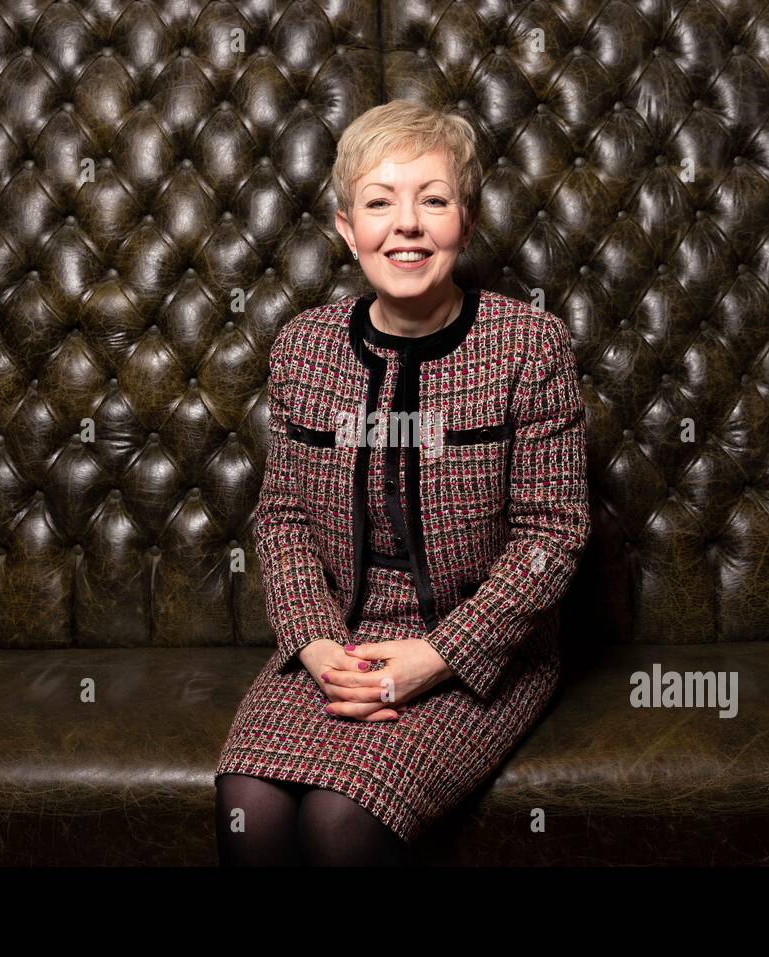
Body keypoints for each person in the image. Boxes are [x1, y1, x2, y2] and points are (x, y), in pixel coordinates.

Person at [213, 99, 590, 866]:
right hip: (333, 644)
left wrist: (436, 656)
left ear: (468, 220)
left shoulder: (529, 345)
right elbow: (281, 518)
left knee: (340, 819)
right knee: (247, 805)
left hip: (480, 652)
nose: (407, 224)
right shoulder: (303, 347)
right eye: (380, 202)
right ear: (348, 229)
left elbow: (553, 536)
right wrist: (316, 644)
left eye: (434, 200)